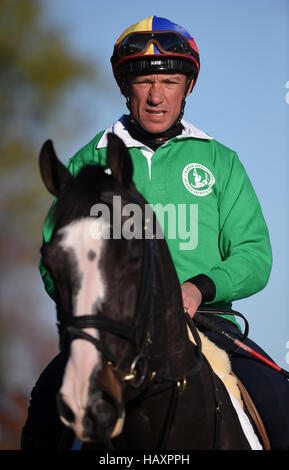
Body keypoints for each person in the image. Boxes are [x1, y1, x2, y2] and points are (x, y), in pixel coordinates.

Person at [22, 16, 289, 450]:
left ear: (188, 87)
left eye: (168, 80)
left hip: (210, 326)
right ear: (126, 87)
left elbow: (254, 253)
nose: (156, 95)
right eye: (144, 81)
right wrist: (104, 311)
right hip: (111, 335)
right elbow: (55, 262)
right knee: (42, 414)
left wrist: (199, 288)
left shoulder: (221, 161)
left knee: (280, 400)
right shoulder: (87, 163)